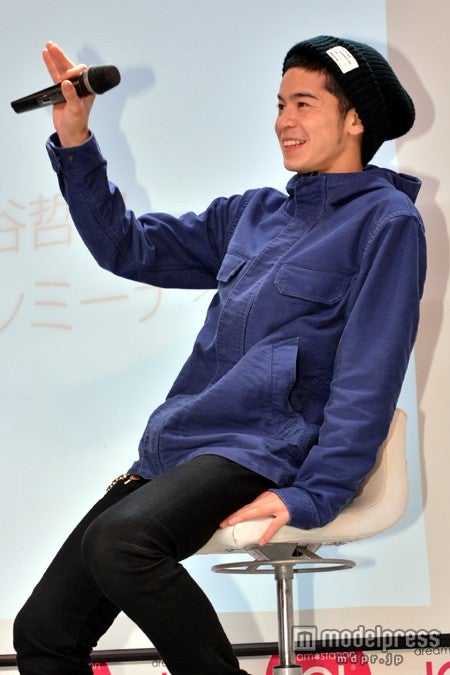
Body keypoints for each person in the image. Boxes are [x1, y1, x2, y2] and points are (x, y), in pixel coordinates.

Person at [14, 35, 426, 675]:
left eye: (304, 104)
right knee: (43, 631)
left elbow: (368, 377)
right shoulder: (253, 215)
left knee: (123, 543)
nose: (284, 121)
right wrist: (74, 138)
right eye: (280, 104)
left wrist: (314, 494)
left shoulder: (387, 221)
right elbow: (127, 247)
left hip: (265, 449)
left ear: (355, 120)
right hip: (183, 445)